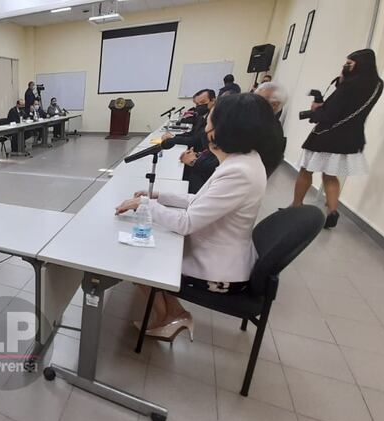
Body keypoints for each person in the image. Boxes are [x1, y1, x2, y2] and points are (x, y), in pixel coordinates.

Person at [115, 93, 280, 343]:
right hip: (224, 254)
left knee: (140, 261)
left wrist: (144, 204)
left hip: (220, 274)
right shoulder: (243, 161)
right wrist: (159, 196)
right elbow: (202, 201)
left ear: (226, 126)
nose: (206, 123)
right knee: (149, 245)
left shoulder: (239, 171)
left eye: (211, 118)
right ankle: (174, 314)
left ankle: (171, 316)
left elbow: (186, 223)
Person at [291, 49, 383, 229]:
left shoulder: (349, 85)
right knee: (330, 175)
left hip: (327, 135)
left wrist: (315, 111)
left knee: (306, 170)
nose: (345, 66)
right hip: (351, 137)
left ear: (360, 65)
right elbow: (350, 107)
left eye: (349, 64)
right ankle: (333, 211)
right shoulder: (378, 85)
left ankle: (295, 205)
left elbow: (331, 113)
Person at [161, 89, 218, 193]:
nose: (199, 106)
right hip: (201, 156)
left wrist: (194, 159)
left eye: (203, 103)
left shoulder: (216, 119)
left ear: (213, 100)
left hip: (205, 166)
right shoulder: (202, 116)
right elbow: (193, 134)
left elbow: (195, 140)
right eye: (197, 104)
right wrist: (173, 137)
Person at [254, 81, 289, 174]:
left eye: (257, 99)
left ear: (274, 105)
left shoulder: (265, 131)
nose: (251, 102)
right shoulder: (259, 123)